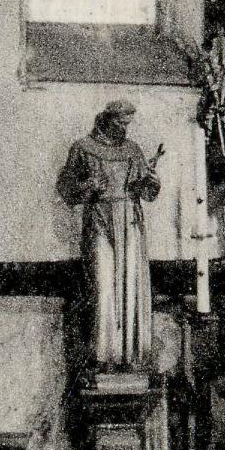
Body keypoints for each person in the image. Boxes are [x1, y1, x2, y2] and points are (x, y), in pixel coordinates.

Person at [57, 103, 161, 373]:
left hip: (130, 221)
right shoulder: (83, 147)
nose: (124, 129)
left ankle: (130, 358)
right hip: (100, 220)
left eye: (128, 124)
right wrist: (87, 185)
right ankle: (104, 357)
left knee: (131, 284)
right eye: (120, 123)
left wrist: (151, 182)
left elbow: (146, 193)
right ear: (106, 119)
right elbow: (66, 189)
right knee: (103, 286)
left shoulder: (133, 150)